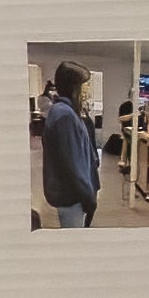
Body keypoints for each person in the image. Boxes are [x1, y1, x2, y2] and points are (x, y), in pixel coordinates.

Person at [32, 61, 99, 229]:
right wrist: (89, 197)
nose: (87, 90)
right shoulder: (64, 115)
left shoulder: (68, 111)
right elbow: (73, 165)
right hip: (73, 197)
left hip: (76, 193)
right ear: (73, 85)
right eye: (85, 85)